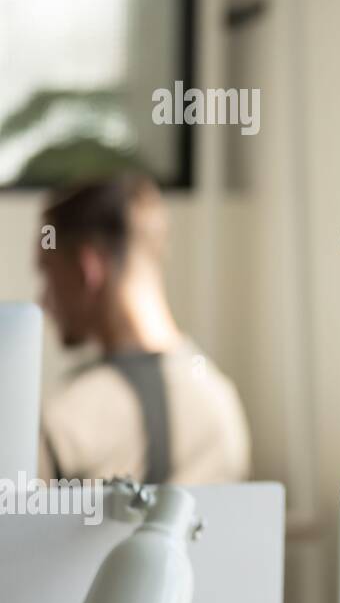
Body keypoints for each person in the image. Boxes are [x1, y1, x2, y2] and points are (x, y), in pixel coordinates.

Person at [33, 172, 251, 485]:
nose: (43, 301)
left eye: (47, 273)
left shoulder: (67, 421)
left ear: (87, 269)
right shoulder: (221, 403)